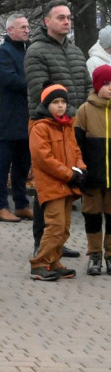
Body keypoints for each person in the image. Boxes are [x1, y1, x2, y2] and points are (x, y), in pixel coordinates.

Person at [24, 0, 89, 258]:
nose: (66, 21)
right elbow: (42, 91)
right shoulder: (37, 51)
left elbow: (85, 84)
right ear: (47, 22)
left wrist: (82, 114)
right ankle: (42, 241)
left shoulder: (75, 51)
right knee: (48, 185)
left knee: (67, 182)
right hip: (47, 125)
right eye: (60, 17)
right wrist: (69, 113)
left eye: (69, 17)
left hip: (73, 125)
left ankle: (59, 240)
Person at [29, 84, 85, 280]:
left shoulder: (67, 125)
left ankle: (54, 261)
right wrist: (69, 174)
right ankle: (40, 264)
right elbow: (44, 158)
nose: (60, 106)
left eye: (63, 102)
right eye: (55, 102)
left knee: (65, 227)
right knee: (55, 226)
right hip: (53, 185)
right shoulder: (40, 127)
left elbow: (76, 151)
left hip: (69, 184)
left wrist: (81, 168)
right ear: (46, 105)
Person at [0, 14, 33, 223]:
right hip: (7, 117)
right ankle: (1, 206)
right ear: (10, 30)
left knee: (23, 164)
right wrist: (35, 84)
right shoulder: (1, 53)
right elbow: (10, 80)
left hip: (27, 117)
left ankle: (22, 203)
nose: (26, 30)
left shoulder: (30, 51)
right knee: (3, 165)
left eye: (27, 27)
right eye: (22, 27)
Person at [72, 65, 111, 276]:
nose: (110, 87)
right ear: (96, 86)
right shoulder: (84, 111)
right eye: (106, 83)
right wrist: (81, 171)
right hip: (92, 177)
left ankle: (110, 255)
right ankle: (94, 254)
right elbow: (76, 145)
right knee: (92, 217)